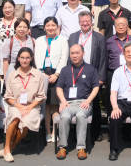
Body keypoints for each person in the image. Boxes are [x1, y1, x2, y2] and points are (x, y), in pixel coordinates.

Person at [0, 47, 47, 163]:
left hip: (32, 106)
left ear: (31, 59)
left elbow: (41, 96)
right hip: (16, 105)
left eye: (27, 58)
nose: (25, 60)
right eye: (22, 58)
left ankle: (11, 148)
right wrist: (19, 106)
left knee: (26, 123)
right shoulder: (12, 75)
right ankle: (7, 148)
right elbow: (8, 96)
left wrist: (29, 107)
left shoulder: (38, 75)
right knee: (15, 118)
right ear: (18, 59)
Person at [55, 44, 100, 160]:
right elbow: (59, 88)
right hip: (68, 102)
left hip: (84, 102)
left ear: (83, 53)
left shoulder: (91, 69)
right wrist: (63, 101)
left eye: (77, 53)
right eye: (72, 53)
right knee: (64, 116)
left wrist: (88, 101)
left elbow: (96, 87)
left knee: (80, 115)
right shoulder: (65, 70)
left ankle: (81, 148)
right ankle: (62, 147)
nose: (74, 55)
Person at [68, 11, 107, 139]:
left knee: (94, 103)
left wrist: (101, 78)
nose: (85, 23)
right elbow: (69, 58)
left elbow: (103, 58)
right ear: (79, 22)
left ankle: (96, 132)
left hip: (93, 74)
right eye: (82, 21)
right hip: (76, 74)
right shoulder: (73, 37)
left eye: (87, 21)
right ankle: (75, 132)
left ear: (92, 22)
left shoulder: (99, 37)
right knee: (76, 102)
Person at [33, 16, 68, 143]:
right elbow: (36, 57)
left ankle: (55, 132)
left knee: (56, 105)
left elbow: (64, 58)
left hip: (57, 74)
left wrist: (57, 74)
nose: (50, 28)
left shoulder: (63, 40)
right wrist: (42, 73)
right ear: (44, 27)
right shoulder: (39, 40)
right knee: (46, 106)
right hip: (42, 74)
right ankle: (48, 132)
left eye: (53, 25)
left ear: (57, 27)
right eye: (48, 25)